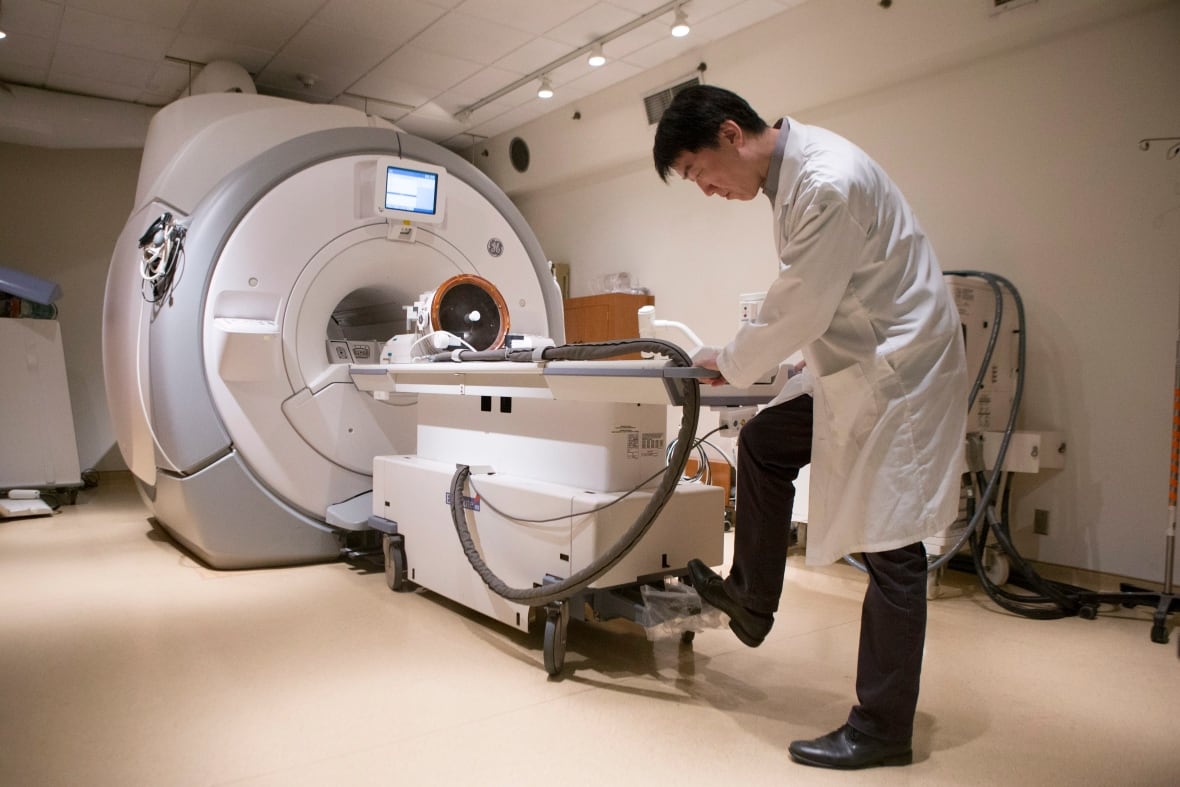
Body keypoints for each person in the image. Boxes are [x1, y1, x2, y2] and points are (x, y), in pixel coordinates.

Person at [652, 85, 967, 770]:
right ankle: (752, 599)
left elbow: (798, 303)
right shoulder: (791, 180)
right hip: (859, 364)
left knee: (894, 547)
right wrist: (759, 358)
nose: (706, 190)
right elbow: (824, 292)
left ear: (730, 135)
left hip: (899, 373)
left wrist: (731, 362)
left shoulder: (824, 180)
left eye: (700, 173)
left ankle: (882, 725)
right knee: (765, 442)